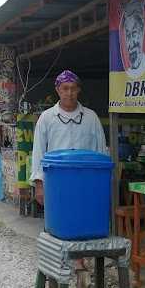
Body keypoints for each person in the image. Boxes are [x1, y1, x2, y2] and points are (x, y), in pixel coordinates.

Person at [29, 70, 107, 205]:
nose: (69, 93)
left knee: (83, 217)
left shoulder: (91, 117)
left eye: (73, 89)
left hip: (86, 180)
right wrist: (39, 185)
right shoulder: (46, 117)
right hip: (56, 180)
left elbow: (101, 151)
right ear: (58, 90)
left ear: (78, 90)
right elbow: (38, 152)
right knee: (58, 221)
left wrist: (101, 181)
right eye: (65, 88)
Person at [122, 0, 145, 77]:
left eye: (134, 33)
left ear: (142, 31)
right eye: (127, 36)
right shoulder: (127, 72)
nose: (131, 44)